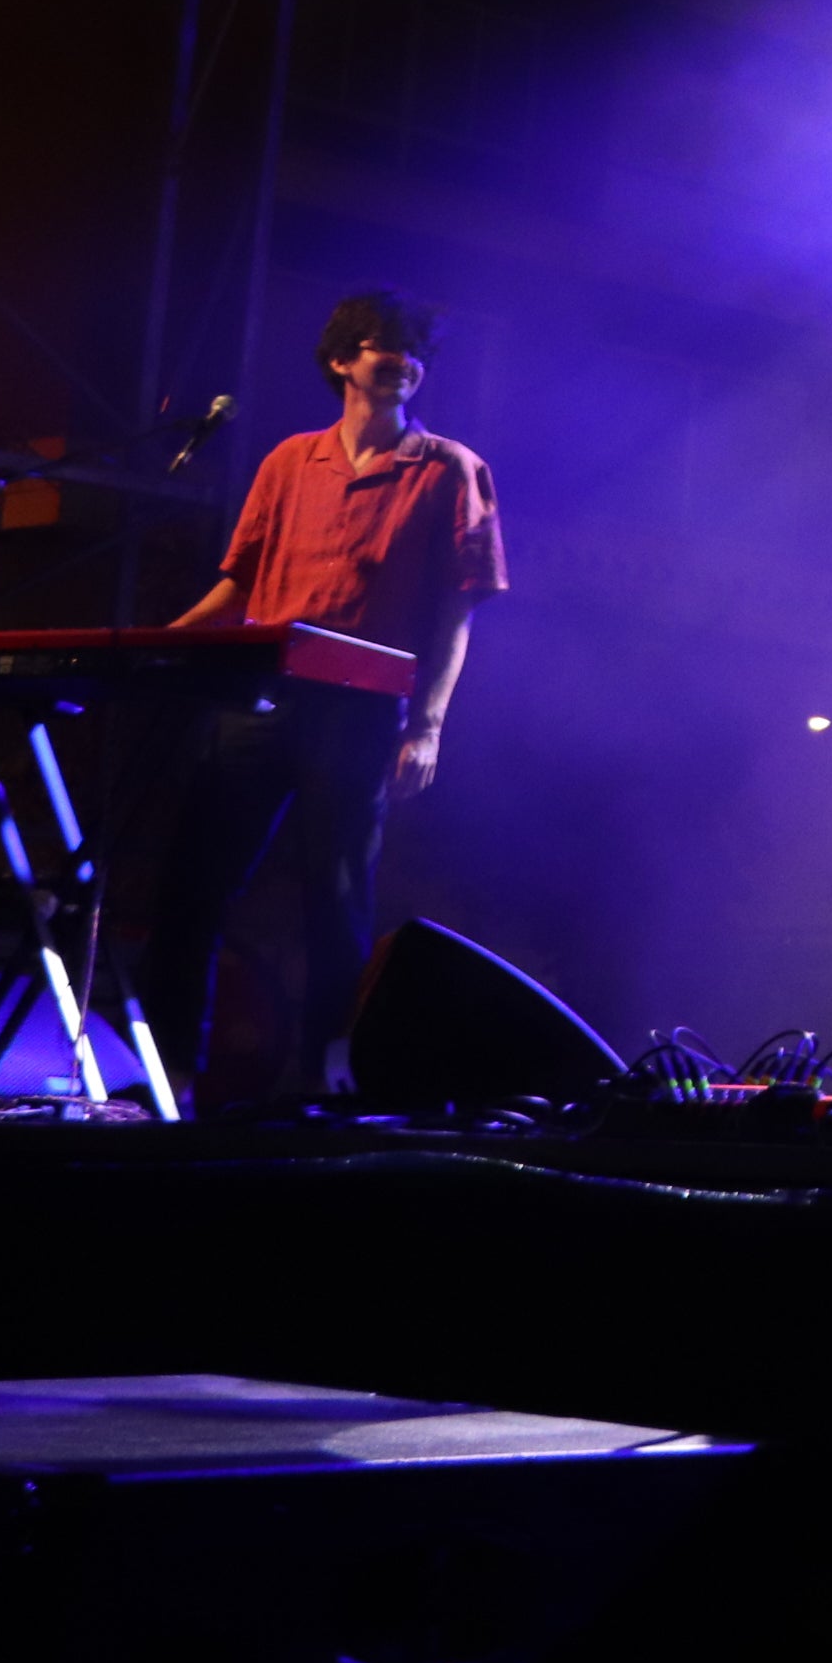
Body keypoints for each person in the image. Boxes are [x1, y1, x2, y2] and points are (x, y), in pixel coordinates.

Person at [143, 288, 505, 1105]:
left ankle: (324, 1080)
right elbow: (237, 588)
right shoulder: (288, 460)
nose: (404, 361)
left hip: (361, 709)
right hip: (262, 700)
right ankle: (171, 1076)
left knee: (335, 897)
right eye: (385, 345)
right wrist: (154, 646)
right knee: (194, 884)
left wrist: (429, 724)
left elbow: (457, 610)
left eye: (416, 350)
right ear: (342, 359)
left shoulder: (448, 468)